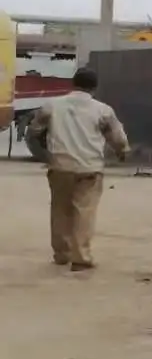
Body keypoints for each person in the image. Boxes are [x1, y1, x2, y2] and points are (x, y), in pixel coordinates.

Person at [25, 67, 129, 271]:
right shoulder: (103, 110)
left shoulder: (52, 106)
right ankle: (81, 258)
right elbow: (117, 137)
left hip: (60, 166)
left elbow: (34, 131)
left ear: (73, 83)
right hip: (90, 168)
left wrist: (47, 154)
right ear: (95, 88)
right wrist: (122, 151)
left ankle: (62, 254)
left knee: (60, 210)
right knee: (84, 212)